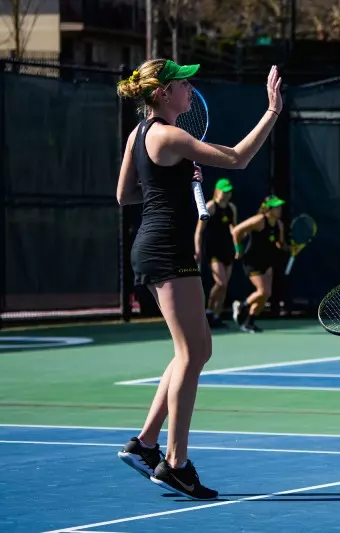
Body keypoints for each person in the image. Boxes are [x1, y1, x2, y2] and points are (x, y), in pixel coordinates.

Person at [114, 58, 283, 500]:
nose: (190, 89)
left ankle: (145, 443)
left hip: (154, 244)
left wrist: (169, 179)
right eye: (183, 84)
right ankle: (176, 463)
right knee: (192, 352)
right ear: (163, 93)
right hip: (166, 247)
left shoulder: (139, 135)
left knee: (196, 349)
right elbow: (238, 158)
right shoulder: (170, 135)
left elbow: (124, 194)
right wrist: (271, 111)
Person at [231, 194, 286, 333]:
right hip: (252, 261)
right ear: (268, 209)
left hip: (268, 261)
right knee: (263, 291)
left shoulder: (279, 225)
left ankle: (249, 322)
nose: (279, 209)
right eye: (276, 207)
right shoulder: (259, 221)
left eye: (279, 206)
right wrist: (238, 250)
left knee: (266, 295)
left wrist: (289, 248)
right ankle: (242, 306)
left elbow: (280, 244)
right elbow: (236, 231)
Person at [195, 177, 238, 328]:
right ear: (217, 191)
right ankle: (209, 311)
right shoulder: (210, 207)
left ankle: (217, 316)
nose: (226, 194)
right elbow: (199, 231)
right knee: (221, 282)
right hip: (214, 251)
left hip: (228, 250)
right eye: (224, 191)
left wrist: (237, 247)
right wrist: (197, 249)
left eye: (229, 192)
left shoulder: (232, 208)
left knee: (224, 286)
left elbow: (234, 230)